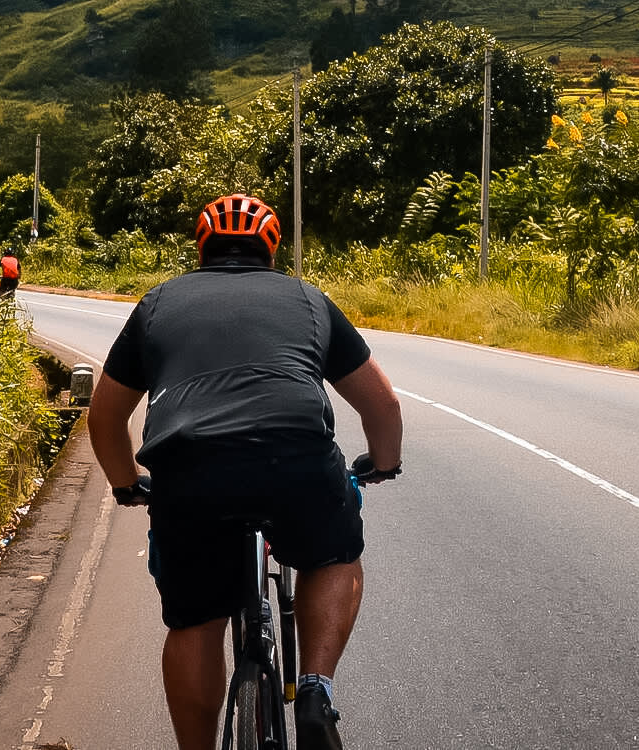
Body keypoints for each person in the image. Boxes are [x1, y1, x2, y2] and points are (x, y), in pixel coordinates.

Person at [89, 194, 403, 750]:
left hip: (189, 469)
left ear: (201, 248)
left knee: (194, 621)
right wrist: (383, 464)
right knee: (333, 554)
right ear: (272, 250)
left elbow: (106, 416)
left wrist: (123, 484)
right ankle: (315, 690)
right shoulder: (308, 299)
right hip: (296, 458)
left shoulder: (159, 302)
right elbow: (382, 407)